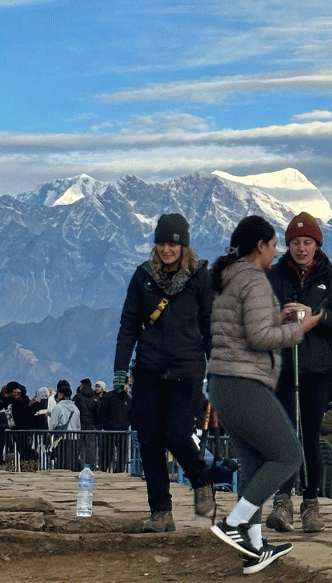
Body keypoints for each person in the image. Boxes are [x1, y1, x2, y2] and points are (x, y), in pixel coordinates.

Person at [205, 214, 322, 573]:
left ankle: (254, 548)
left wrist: (280, 323)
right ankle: (233, 524)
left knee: (255, 466)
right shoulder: (254, 280)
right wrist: (301, 328)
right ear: (260, 246)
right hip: (244, 382)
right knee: (288, 455)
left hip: (222, 383)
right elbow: (258, 339)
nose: (277, 253)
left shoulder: (229, 278)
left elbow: (247, 329)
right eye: (273, 246)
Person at [113, 213, 218, 534]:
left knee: (176, 435)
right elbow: (128, 325)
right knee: (149, 441)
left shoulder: (201, 278)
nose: (166, 249)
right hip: (148, 370)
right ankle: (161, 511)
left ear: (183, 244)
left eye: (173, 242)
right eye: (161, 242)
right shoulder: (142, 277)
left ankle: (201, 480)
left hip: (187, 370)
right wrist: (120, 368)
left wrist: (217, 367)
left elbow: (211, 326)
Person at [263, 211, 332, 533]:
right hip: (282, 370)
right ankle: (283, 502)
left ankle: (311, 503)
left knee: (310, 437)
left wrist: (316, 318)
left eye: (307, 242)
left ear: (317, 245)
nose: (301, 248)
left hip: (319, 372)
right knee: (285, 436)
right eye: (295, 242)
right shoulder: (273, 277)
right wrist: (280, 318)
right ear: (287, 245)